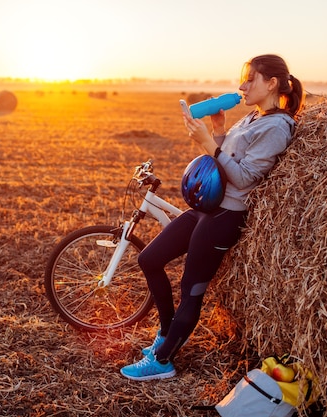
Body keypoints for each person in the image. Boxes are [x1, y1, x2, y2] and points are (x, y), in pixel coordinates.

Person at [120, 54, 305, 381]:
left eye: (251, 79)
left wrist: (207, 142)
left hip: (226, 215)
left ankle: (163, 361)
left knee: (191, 288)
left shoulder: (278, 126)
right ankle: (166, 334)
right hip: (207, 208)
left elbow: (246, 177)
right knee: (149, 259)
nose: (242, 85)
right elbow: (227, 157)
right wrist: (218, 131)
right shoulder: (252, 117)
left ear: (272, 83)